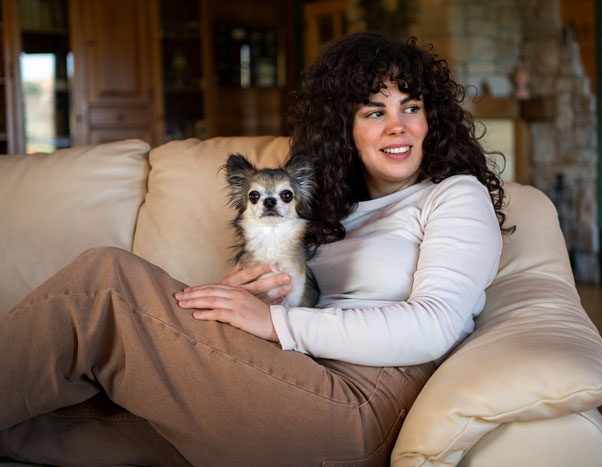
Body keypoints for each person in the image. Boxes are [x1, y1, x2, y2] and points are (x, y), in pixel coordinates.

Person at [0, 32, 509, 466]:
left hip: (358, 407)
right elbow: (294, 312)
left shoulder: (453, 195)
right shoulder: (332, 212)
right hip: (289, 381)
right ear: (344, 130)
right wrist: (241, 301)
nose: (398, 126)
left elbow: (434, 325)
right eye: (375, 112)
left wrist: (275, 324)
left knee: (105, 283)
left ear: (431, 118)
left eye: (411, 107)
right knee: (45, 421)